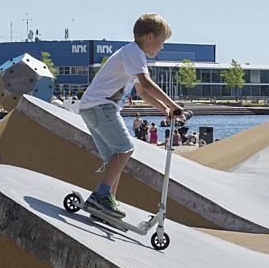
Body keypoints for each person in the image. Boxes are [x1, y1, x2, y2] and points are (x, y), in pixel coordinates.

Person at [76, 12, 186, 217]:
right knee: (125, 149)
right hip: (101, 106)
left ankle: (105, 207)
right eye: (162, 42)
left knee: (113, 160)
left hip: (90, 107)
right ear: (150, 37)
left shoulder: (129, 54)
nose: (162, 47)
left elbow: (142, 92)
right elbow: (146, 84)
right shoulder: (135, 52)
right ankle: (101, 197)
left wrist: (164, 110)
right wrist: (173, 105)